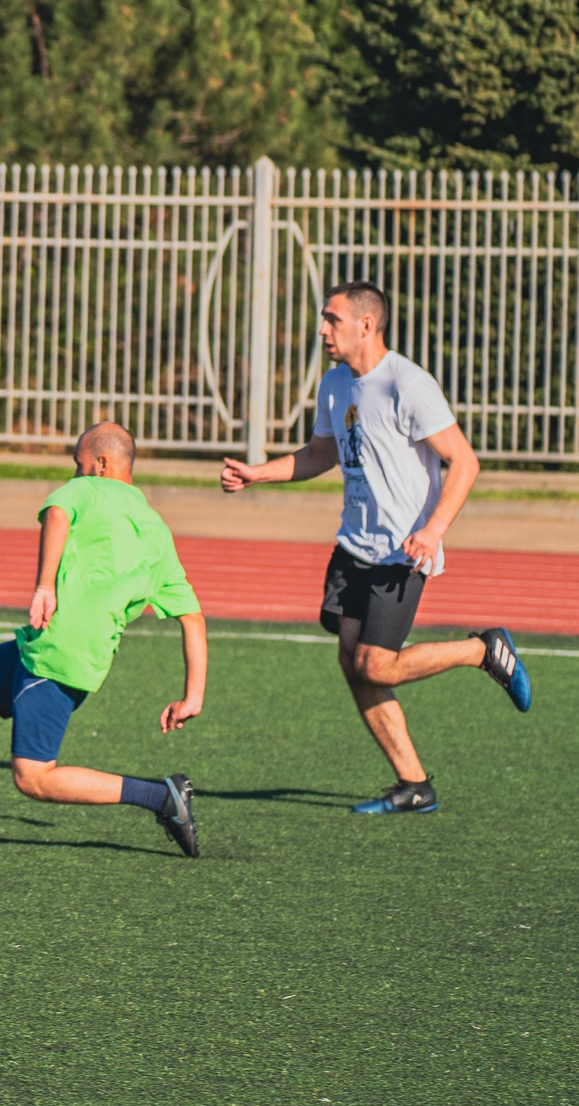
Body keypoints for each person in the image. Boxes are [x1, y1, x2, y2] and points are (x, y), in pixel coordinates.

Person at [221, 282, 530, 814]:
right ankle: (414, 784)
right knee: (351, 660)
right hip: (354, 546)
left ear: (366, 325)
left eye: (331, 319)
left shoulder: (408, 384)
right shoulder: (335, 384)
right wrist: (258, 474)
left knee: (377, 666)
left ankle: (483, 651)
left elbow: (466, 461)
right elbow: (320, 455)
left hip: (401, 554)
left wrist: (432, 531)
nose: (322, 330)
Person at [0, 421, 206, 855]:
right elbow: (193, 617)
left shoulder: (89, 489)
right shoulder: (158, 531)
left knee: (32, 777)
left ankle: (162, 797)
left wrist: (45, 584)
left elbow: (56, 513)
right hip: (45, 645)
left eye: (79, 463)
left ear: (102, 464)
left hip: (58, 656)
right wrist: (192, 696)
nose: (76, 472)